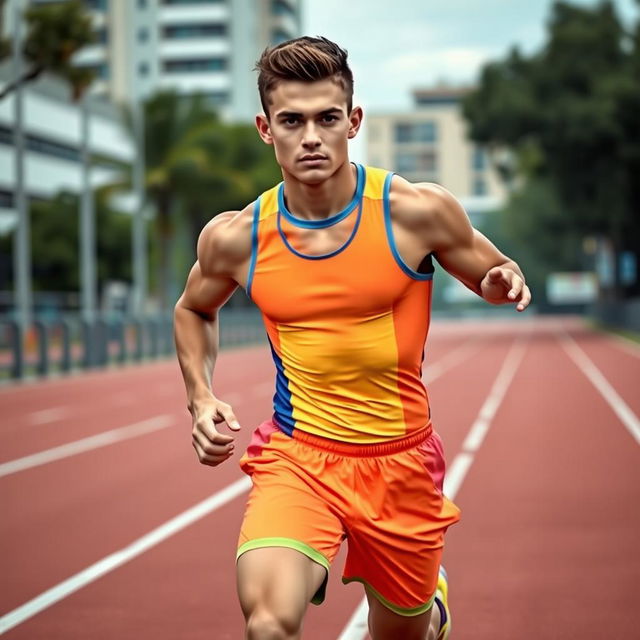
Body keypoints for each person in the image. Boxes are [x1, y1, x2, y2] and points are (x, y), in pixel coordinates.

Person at [174, 36, 531, 640]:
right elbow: (192, 310)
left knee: (400, 635)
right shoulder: (236, 237)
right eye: (292, 120)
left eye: (326, 118)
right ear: (267, 129)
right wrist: (200, 396)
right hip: (299, 455)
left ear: (353, 121)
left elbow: (492, 273)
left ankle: (430, 611)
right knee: (268, 625)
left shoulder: (414, 212)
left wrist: (503, 280)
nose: (310, 136)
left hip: (400, 463)